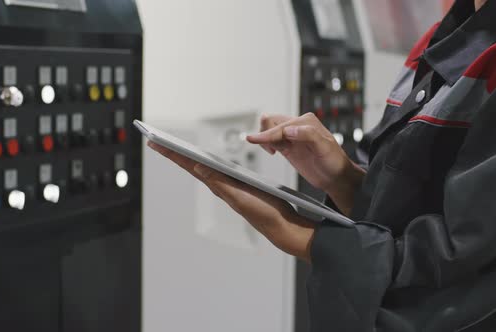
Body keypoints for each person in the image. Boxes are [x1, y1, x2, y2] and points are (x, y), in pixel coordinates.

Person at [148, 0, 496, 330]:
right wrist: (342, 178)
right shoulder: (439, 42)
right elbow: (406, 217)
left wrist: (303, 236)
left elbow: (460, 260)